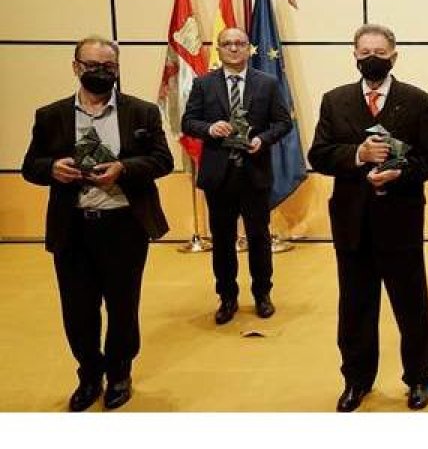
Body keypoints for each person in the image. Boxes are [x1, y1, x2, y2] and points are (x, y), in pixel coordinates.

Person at [21, 36, 173, 411]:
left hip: (124, 225)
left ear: (117, 70)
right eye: (92, 66)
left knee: (123, 306)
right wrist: (51, 168)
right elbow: (30, 165)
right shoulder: (50, 115)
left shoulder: (142, 112)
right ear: (76, 67)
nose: (100, 73)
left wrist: (124, 169)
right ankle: (89, 374)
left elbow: (162, 160)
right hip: (72, 228)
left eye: (108, 67)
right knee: (77, 308)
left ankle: (120, 371)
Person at [307, 23, 428, 412]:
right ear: (354, 55)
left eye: (380, 52)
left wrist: (402, 173)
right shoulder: (335, 101)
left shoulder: (417, 100)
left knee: (411, 304)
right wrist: (357, 156)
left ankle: (418, 378)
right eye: (364, 52)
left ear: (394, 56)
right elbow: (319, 154)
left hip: (401, 219)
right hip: (352, 222)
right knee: (355, 307)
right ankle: (356, 380)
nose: (372, 58)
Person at [183, 26, 294, 324]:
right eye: (227, 44)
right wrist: (208, 128)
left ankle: (262, 294)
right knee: (222, 240)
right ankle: (227, 297)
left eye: (239, 44)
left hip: (255, 173)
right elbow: (188, 122)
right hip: (219, 175)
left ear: (248, 48)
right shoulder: (203, 85)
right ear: (218, 49)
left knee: (259, 238)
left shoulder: (267, 84)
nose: (233, 49)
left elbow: (284, 123)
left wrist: (263, 140)